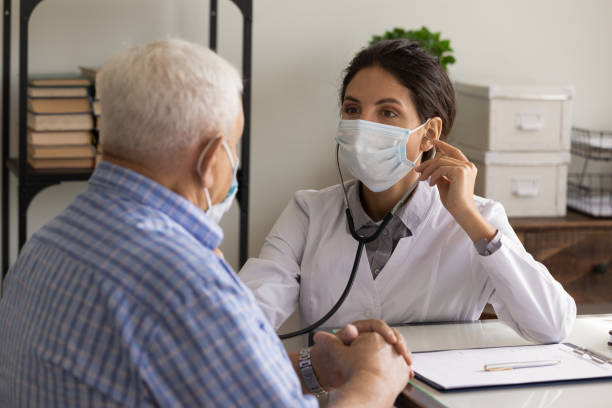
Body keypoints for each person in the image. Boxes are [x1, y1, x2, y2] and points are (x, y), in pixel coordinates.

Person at [0, 39, 412, 407]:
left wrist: (316, 365)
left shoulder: (45, 245)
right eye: (234, 145)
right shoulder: (184, 281)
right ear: (213, 157)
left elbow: (197, 375)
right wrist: (374, 380)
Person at [240, 39, 576, 343]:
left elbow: (552, 326)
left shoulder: (479, 219)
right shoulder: (308, 212)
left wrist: (470, 221)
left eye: (387, 112)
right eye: (352, 109)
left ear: (429, 134)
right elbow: (245, 318)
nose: (363, 127)